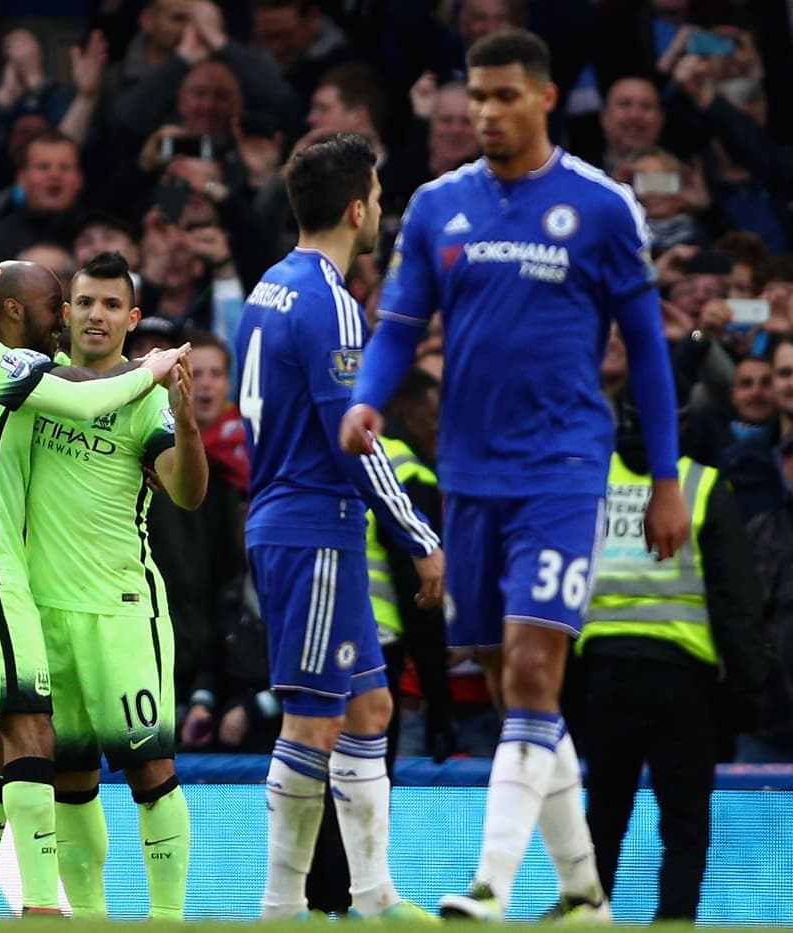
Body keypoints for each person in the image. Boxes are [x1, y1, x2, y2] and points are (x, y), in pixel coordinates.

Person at [340, 29, 690, 921]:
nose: (483, 113)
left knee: (535, 672)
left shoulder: (603, 208)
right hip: (470, 473)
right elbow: (397, 324)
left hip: (565, 467)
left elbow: (647, 353)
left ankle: (493, 884)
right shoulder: (435, 206)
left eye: (502, 97)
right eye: (475, 97)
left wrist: (663, 479)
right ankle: (583, 894)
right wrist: (371, 398)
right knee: (509, 686)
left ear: (541, 98)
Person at [0, 258, 186, 915]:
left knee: (24, 733)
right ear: (15, 311)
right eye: (58, 305)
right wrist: (151, 369)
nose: (66, 321)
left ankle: (40, 906)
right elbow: (81, 395)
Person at [234, 132, 441, 920]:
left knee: (369, 711)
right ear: (358, 208)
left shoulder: (269, 288)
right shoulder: (331, 304)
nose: (382, 209)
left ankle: (375, 895)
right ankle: (281, 905)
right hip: (315, 526)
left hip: (301, 521)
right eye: (381, 197)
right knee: (313, 718)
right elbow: (357, 439)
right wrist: (421, 538)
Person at [26, 250, 207, 920]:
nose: (95, 315)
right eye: (84, 302)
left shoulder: (145, 401)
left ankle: (166, 918)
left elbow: (188, 494)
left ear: (132, 319)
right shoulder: (37, 388)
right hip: (43, 613)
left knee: (150, 771)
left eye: (109, 304)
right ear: (65, 312)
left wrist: (187, 428)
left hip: (122, 609)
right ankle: (92, 917)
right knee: (69, 780)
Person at [580, 406, 767, 921]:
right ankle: (674, 924)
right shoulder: (701, 485)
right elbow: (736, 601)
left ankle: (589, 920)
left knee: (603, 820)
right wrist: (753, 692)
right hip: (680, 679)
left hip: (602, 674)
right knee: (683, 824)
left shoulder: (593, 484)